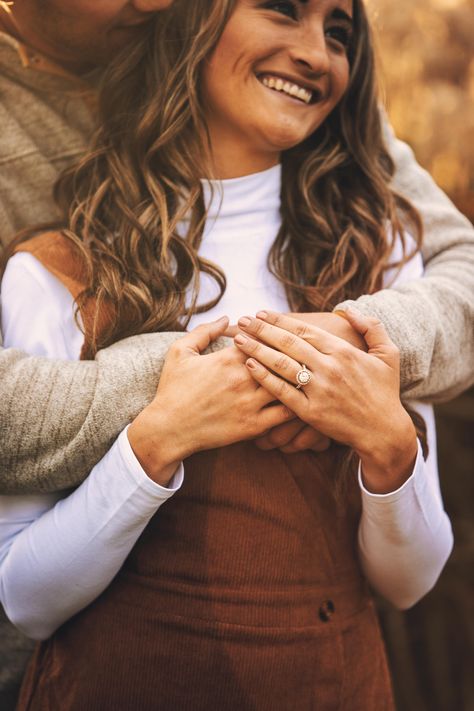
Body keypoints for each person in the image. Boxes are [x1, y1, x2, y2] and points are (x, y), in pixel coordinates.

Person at [0, 0, 455, 708]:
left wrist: (390, 445)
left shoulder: (378, 257)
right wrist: (158, 440)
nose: (315, 53)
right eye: (281, 11)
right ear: (193, 26)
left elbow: (410, 580)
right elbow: (26, 598)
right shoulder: (58, 271)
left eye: (339, 34)